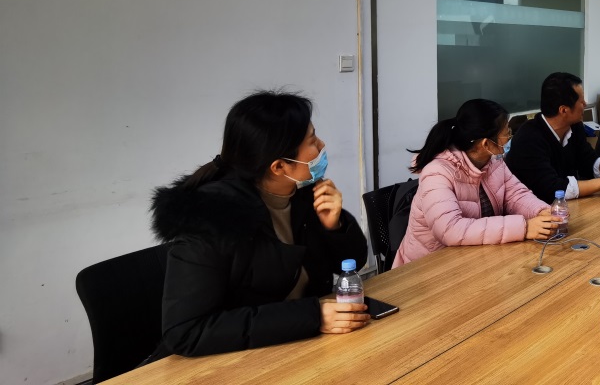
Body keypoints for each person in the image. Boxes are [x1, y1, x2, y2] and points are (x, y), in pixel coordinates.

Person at [148, 91, 369, 359]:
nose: (321, 145)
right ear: (279, 167)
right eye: (312, 141)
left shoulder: (305, 194)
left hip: (303, 346)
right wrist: (313, 317)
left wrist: (335, 227)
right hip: (235, 361)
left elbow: (353, 263)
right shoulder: (211, 218)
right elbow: (186, 332)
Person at [393, 99, 559, 267]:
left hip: (473, 260)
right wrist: (524, 228)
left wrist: (541, 211)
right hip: (428, 268)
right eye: (506, 133)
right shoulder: (437, 173)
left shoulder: (494, 161)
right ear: (486, 144)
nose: (509, 137)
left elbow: (516, 195)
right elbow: (451, 230)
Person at [505, 72, 600, 203]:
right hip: (533, 208)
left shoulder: (575, 126)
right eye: (581, 101)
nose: (585, 104)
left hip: (566, 205)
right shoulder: (528, 138)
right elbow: (551, 189)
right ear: (564, 110)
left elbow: (587, 162)